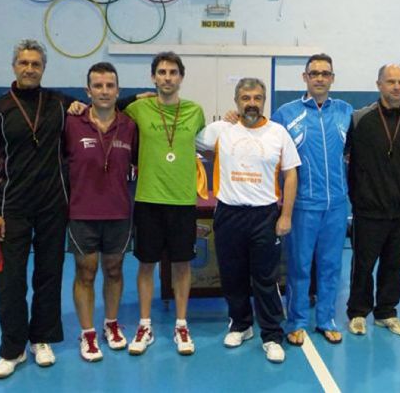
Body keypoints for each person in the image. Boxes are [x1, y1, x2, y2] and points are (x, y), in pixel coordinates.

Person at [0, 39, 74, 378]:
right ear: (14, 66)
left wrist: (133, 99)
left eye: (36, 63)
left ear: (43, 68)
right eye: (24, 63)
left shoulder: (60, 103)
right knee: (11, 280)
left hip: (52, 206)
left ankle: (41, 339)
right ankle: (12, 348)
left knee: (49, 274)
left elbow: (102, 106)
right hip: (11, 208)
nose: (30, 68)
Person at [196, 78, 300, 363]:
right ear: (236, 101)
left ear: (264, 100)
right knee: (232, 275)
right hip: (228, 213)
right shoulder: (220, 130)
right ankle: (240, 325)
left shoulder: (278, 133)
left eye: (256, 97)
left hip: (264, 215)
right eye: (245, 97)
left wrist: (286, 214)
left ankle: (271, 334)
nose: (251, 103)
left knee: (266, 279)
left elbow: (291, 174)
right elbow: (188, 144)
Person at [125, 52, 205, 356]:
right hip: (147, 199)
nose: (167, 77)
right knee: (146, 264)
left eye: (173, 72)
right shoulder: (138, 109)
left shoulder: (194, 111)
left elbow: (209, 138)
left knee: (182, 264)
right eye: (161, 72)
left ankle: (181, 325)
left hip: (183, 200)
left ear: (181, 77)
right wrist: (134, 95)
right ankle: (145, 324)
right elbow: (108, 108)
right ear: (153, 77)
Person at [270, 54, 352, 346]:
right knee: (300, 265)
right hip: (303, 205)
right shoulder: (285, 114)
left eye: (325, 73)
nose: (319, 78)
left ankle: (327, 319)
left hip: (337, 205)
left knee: (331, 266)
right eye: (314, 73)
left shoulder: (345, 112)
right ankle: (296, 320)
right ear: (304, 77)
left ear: (332, 78)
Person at [65, 62, 137, 361]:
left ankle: (111, 324)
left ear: (117, 91)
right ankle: (88, 333)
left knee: (114, 270)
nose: (104, 91)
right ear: (88, 91)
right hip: (81, 213)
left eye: (110, 86)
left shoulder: (130, 126)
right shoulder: (71, 123)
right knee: (86, 271)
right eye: (98, 86)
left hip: (119, 212)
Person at [345, 64, 400, 337]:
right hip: (368, 208)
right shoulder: (360, 119)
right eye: (391, 81)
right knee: (363, 265)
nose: (397, 86)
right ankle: (358, 312)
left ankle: (386, 312)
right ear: (379, 84)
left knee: (394, 264)